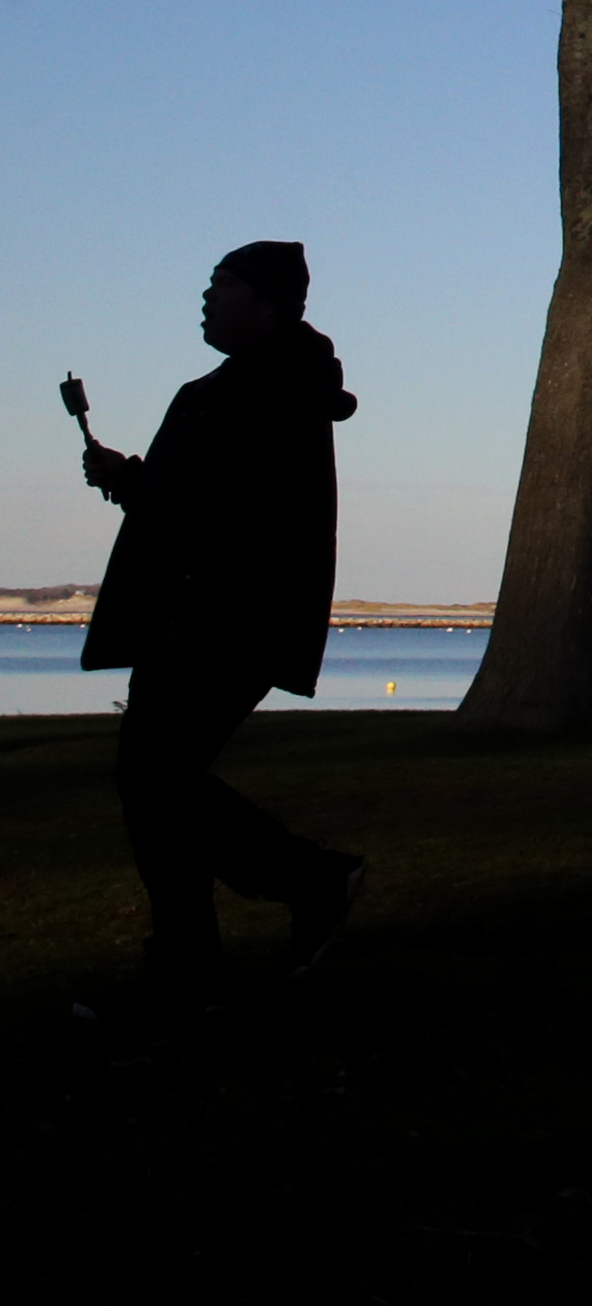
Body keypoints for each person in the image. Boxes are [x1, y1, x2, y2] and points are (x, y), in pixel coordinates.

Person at [75, 241, 367, 1006]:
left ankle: (305, 884)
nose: (207, 298)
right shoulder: (235, 389)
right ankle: (191, 958)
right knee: (156, 785)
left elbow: (250, 521)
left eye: (223, 285)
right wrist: (132, 481)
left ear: (269, 302)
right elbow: (192, 506)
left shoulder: (264, 393)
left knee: (155, 779)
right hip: (204, 617)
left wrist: (189, 608)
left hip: (215, 623)